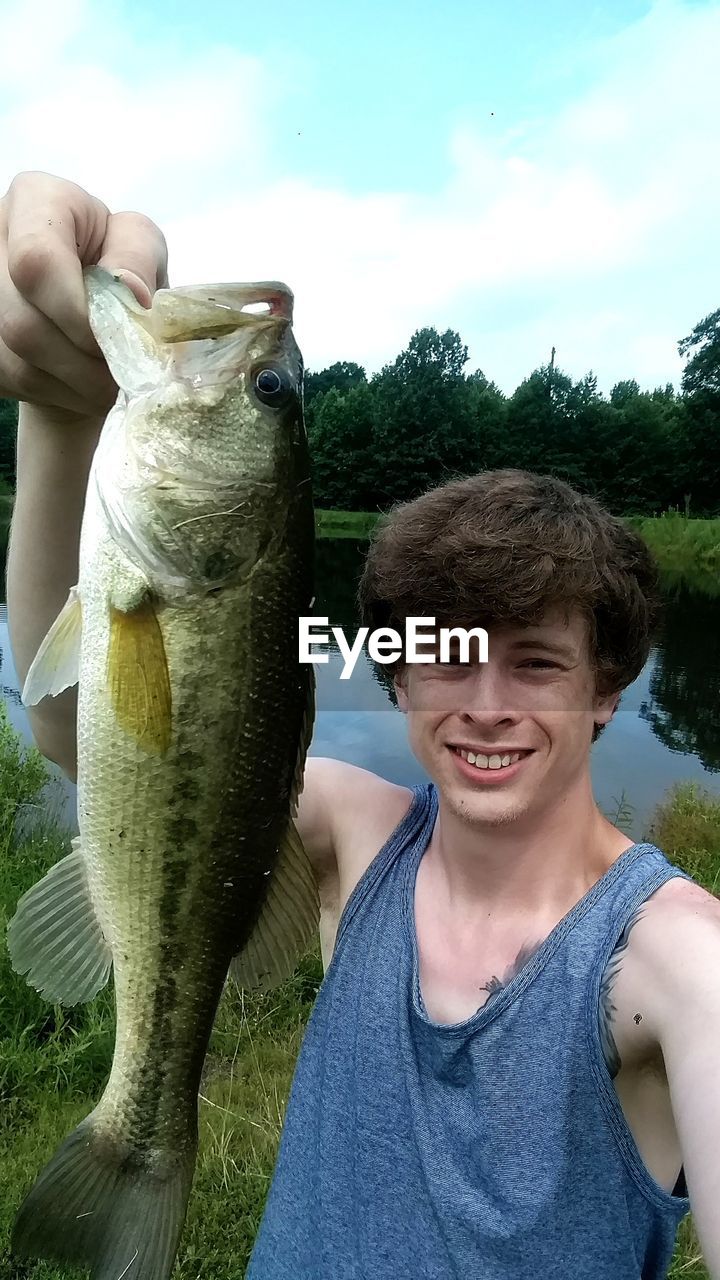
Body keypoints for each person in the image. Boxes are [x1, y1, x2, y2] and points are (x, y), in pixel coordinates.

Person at [2, 171, 719, 1280]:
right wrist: (60, 412)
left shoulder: (675, 961)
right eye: (438, 649)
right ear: (391, 668)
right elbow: (76, 729)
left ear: (608, 688)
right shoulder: (360, 833)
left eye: (536, 661)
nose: (483, 702)